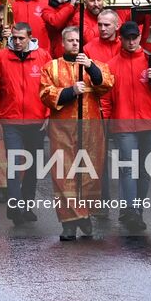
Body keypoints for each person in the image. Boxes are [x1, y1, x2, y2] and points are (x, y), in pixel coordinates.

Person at [37, 25, 112, 239]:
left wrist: (90, 67)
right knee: (64, 174)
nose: (74, 44)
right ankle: (69, 223)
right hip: (62, 128)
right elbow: (45, 93)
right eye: (70, 40)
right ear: (63, 42)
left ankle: (85, 214)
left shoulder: (94, 64)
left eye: (78, 41)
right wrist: (70, 91)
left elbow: (106, 84)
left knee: (88, 172)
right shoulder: (50, 67)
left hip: (91, 128)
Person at [98, 21, 151, 233]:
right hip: (124, 126)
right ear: (120, 38)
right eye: (127, 38)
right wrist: (106, 125)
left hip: (149, 123)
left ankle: (137, 209)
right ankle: (131, 211)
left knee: (144, 170)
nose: (131, 42)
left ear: (139, 37)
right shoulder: (111, 65)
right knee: (129, 169)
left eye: (134, 37)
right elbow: (105, 99)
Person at [0, 23, 51, 226]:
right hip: (11, 119)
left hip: (36, 120)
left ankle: (27, 205)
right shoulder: (1, 58)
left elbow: (50, 88)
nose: (17, 41)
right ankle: (14, 206)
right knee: (15, 164)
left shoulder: (43, 57)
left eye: (21, 38)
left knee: (32, 166)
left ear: (30, 37)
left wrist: (48, 114)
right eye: (14, 38)